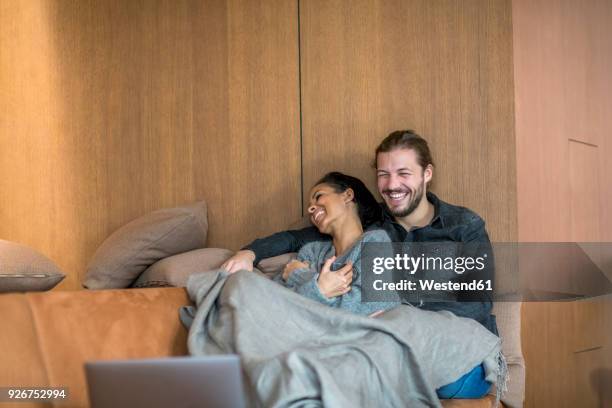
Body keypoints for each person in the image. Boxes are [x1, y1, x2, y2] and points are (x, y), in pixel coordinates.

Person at [222, 129, 497, 336]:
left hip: (455, 340)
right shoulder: (373, 227)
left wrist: (400, 313)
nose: (392, 185)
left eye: (403, 173)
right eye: (383, 175)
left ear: (427, 174)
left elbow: (479, 303)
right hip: (391, 343)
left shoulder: (464, 226)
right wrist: (250, 252)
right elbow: (296, 238)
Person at [271, 171, 400, 316]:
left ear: (347, 196)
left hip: (347, 334)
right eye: (309, 205)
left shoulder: (375, 241)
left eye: (318, 196)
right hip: (307, 329)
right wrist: (322, 291)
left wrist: (303, 277)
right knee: (245, 281)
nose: (310, 209)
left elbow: (373, 303)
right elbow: (277, 299)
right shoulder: (312, 252)